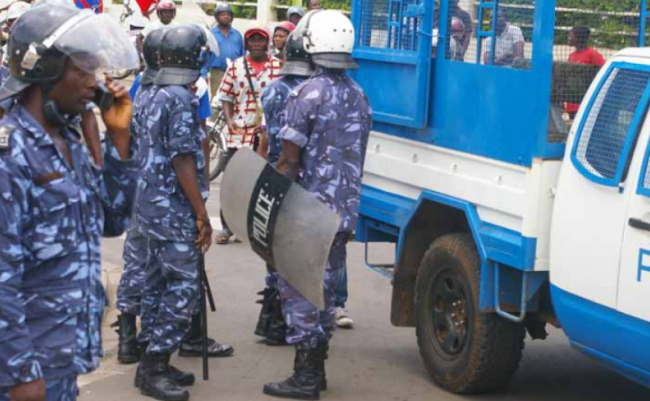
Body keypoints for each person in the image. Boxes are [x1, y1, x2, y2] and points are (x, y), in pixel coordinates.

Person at [0, 2, 140, 400]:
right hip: (25, 367)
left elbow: (112, 221)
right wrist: (20, 373)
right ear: (45, 68)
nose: (93, 81)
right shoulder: (11, 154)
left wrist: (118, 141)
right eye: (82, 69)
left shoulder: (68, 143)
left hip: (63, 356)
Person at [264, 10, 372, 400]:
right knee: (325, 288)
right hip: (342, 213)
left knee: (299, 289)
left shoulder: (305, 94)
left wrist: (271, 207)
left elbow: (289, 161)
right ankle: (317, 369)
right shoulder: (359, 96)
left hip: (308, 214)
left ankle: (306, 376)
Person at [132, 24, 222, 401]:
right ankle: (153, 365)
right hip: (172, 207)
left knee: (156, 282)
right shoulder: (179, 98)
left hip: (147, 205)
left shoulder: (148, 92)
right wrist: (201, 214)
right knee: (183, 289)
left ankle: (152, 360)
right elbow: (183, 157)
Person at [254, 31, 314, 346]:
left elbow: (268, 136)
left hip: (276, 173)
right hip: (301, 178)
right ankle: (292, 322)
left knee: (274, 250)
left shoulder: (272, 90)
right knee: (297, 253)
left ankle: (271, 321)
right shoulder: (312, 92)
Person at [215, 23, 282, 244]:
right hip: (239, 133)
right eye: (252, 40)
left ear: (267, 43)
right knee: (233, 181)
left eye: (260, 39)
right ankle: (227, 228)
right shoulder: (235, 67)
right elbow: (225, 96)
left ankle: (258, 230)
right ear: (246, 43)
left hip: (267, 135)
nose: (256, 43)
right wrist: (230, 118)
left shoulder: (278, 67)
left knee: (262, 184)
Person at [565, 26, 605, 119]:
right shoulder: (572, 56)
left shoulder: (592, 54)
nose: (569, 38)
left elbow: (602, 71)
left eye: (571, 36)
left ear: (578, 38)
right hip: (572, 104)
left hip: (584, 103)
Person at [208, 3, 245, 101]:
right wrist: (203, 75)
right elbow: (206, 55)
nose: (225, 16)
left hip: (235, 73)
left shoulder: (237, 34)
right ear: (217, 17)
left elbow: (243, 54)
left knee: (235, 99)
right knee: (217, 100)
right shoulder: (211, 34)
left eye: (228, 14)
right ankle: (215, 117)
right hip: (218, 73)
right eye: (222, 14)